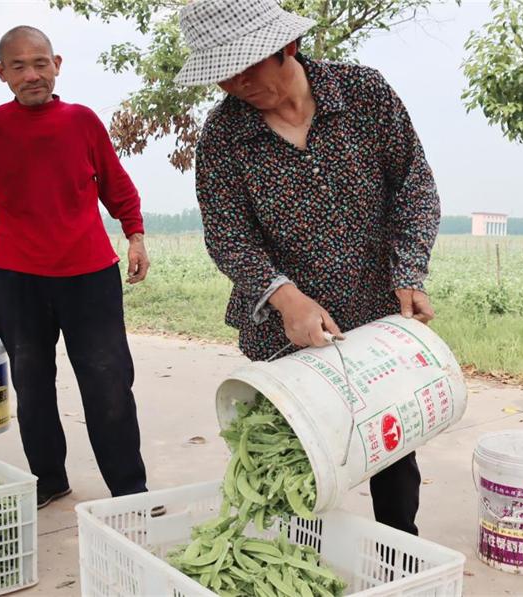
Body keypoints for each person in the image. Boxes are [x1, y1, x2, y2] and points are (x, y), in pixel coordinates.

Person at [176, 0, 440, 535]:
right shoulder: (224, 137)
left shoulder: (365, 96)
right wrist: (285, 297)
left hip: (374, 317)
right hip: (281, 330)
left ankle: (398, 556)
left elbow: (414, 188)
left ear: (286, 47)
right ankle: (299, 561)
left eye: (248, 65)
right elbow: (229, 236)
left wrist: (408, 272)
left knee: (391, 447)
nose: (238, 83)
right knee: (293, 462)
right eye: (224, 75)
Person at [0, 26, 154, 509]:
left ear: (57, 64)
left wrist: (135, 235)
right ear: (1, 73)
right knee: (32, 384)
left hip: (90, 275)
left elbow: (117, 185)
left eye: (40, 63)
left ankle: (129, 489)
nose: (32, 74)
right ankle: (49, 478)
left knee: (108, 381)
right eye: (18, 66)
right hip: (16, 278)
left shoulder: (82, 121)